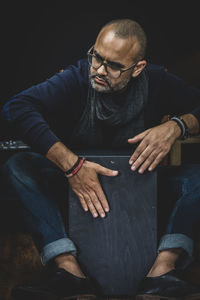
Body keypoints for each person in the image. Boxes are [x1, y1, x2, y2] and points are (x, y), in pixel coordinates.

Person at [1, 18, 200, 300]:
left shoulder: (158, 80)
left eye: (115, 66)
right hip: (76, 189)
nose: (100, 70)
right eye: (97, 57)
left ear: (138, 68)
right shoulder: (76, 77)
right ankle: (69, 273)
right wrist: (72, 166)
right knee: (18, 168)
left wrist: (177, 126)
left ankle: (163, 272)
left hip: (143, 189)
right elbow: (16, 107)